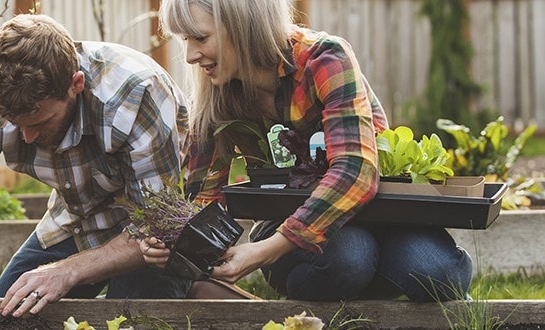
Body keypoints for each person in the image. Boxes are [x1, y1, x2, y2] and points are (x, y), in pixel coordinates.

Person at [141, 0, 473, 302]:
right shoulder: (218, 97)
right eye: (185, 40)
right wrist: (173, 239)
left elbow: (355, 170)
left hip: (378, 212)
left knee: (437, 273)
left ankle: (359, 290)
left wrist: (264, 252)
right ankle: (363, 288)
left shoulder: (324, 59)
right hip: (293, 223)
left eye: (200, 38)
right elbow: (205, 194)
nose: (189, 56)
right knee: (348, 260)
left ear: (243, 26)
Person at [0, 14, 191, 329]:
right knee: (4, 321)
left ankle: (199, 283)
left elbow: (159, 227)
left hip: (154, 236)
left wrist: (65, 272)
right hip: (77, 218)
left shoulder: (134, 94)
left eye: (40, 122)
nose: (27, 138)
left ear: (76, 84)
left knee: (131, 322)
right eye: (17, 126)